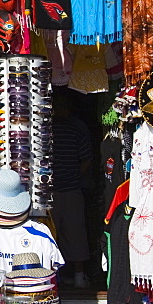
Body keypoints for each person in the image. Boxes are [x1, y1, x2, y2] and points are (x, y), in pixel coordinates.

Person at [50, 89, 94, 288]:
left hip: (49, 191)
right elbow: (87, 159)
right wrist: (76, 175)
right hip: (71, 189)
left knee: (51, 234)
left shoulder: (46, 130)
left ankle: (54, 277)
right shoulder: (77, 129)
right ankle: (78, 275)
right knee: (76, 233)